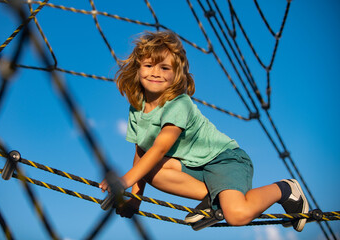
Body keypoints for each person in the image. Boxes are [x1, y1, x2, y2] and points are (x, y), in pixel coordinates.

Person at [99, 30, 309, 231]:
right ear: (138, 69)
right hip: (194, 169)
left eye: (164, 68)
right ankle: (214, 199)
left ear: (177, 75)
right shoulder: (137, 108)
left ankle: (285, 189)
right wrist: (136, 200)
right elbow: (141, 153)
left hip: (225, 160)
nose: (155, 72)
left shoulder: (178, 104)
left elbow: (160, 148)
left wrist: (123, 181)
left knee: (236, 215)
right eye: (148, 65)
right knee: (149, 169)